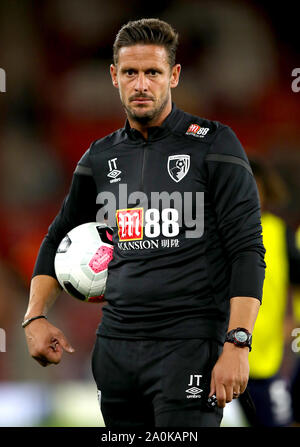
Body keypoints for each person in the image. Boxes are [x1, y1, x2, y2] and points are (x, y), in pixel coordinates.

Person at [23, 18, 266, 427]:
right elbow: (57, 238)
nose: (141, 84)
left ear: (173, 75)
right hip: (115, 353)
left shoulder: (215, 144)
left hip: (191, 348)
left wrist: (238, 343)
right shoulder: (98, 158)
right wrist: (34, 316)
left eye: (152, 72)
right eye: (131, 73)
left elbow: (247, 249)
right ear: (114, 76)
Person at [238, 158, 300, 427]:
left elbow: (296, 282)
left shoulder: (279, 233)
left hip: (264, 360)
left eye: (254, 186)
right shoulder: (211, 233)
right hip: (214, 361)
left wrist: (293, 325)